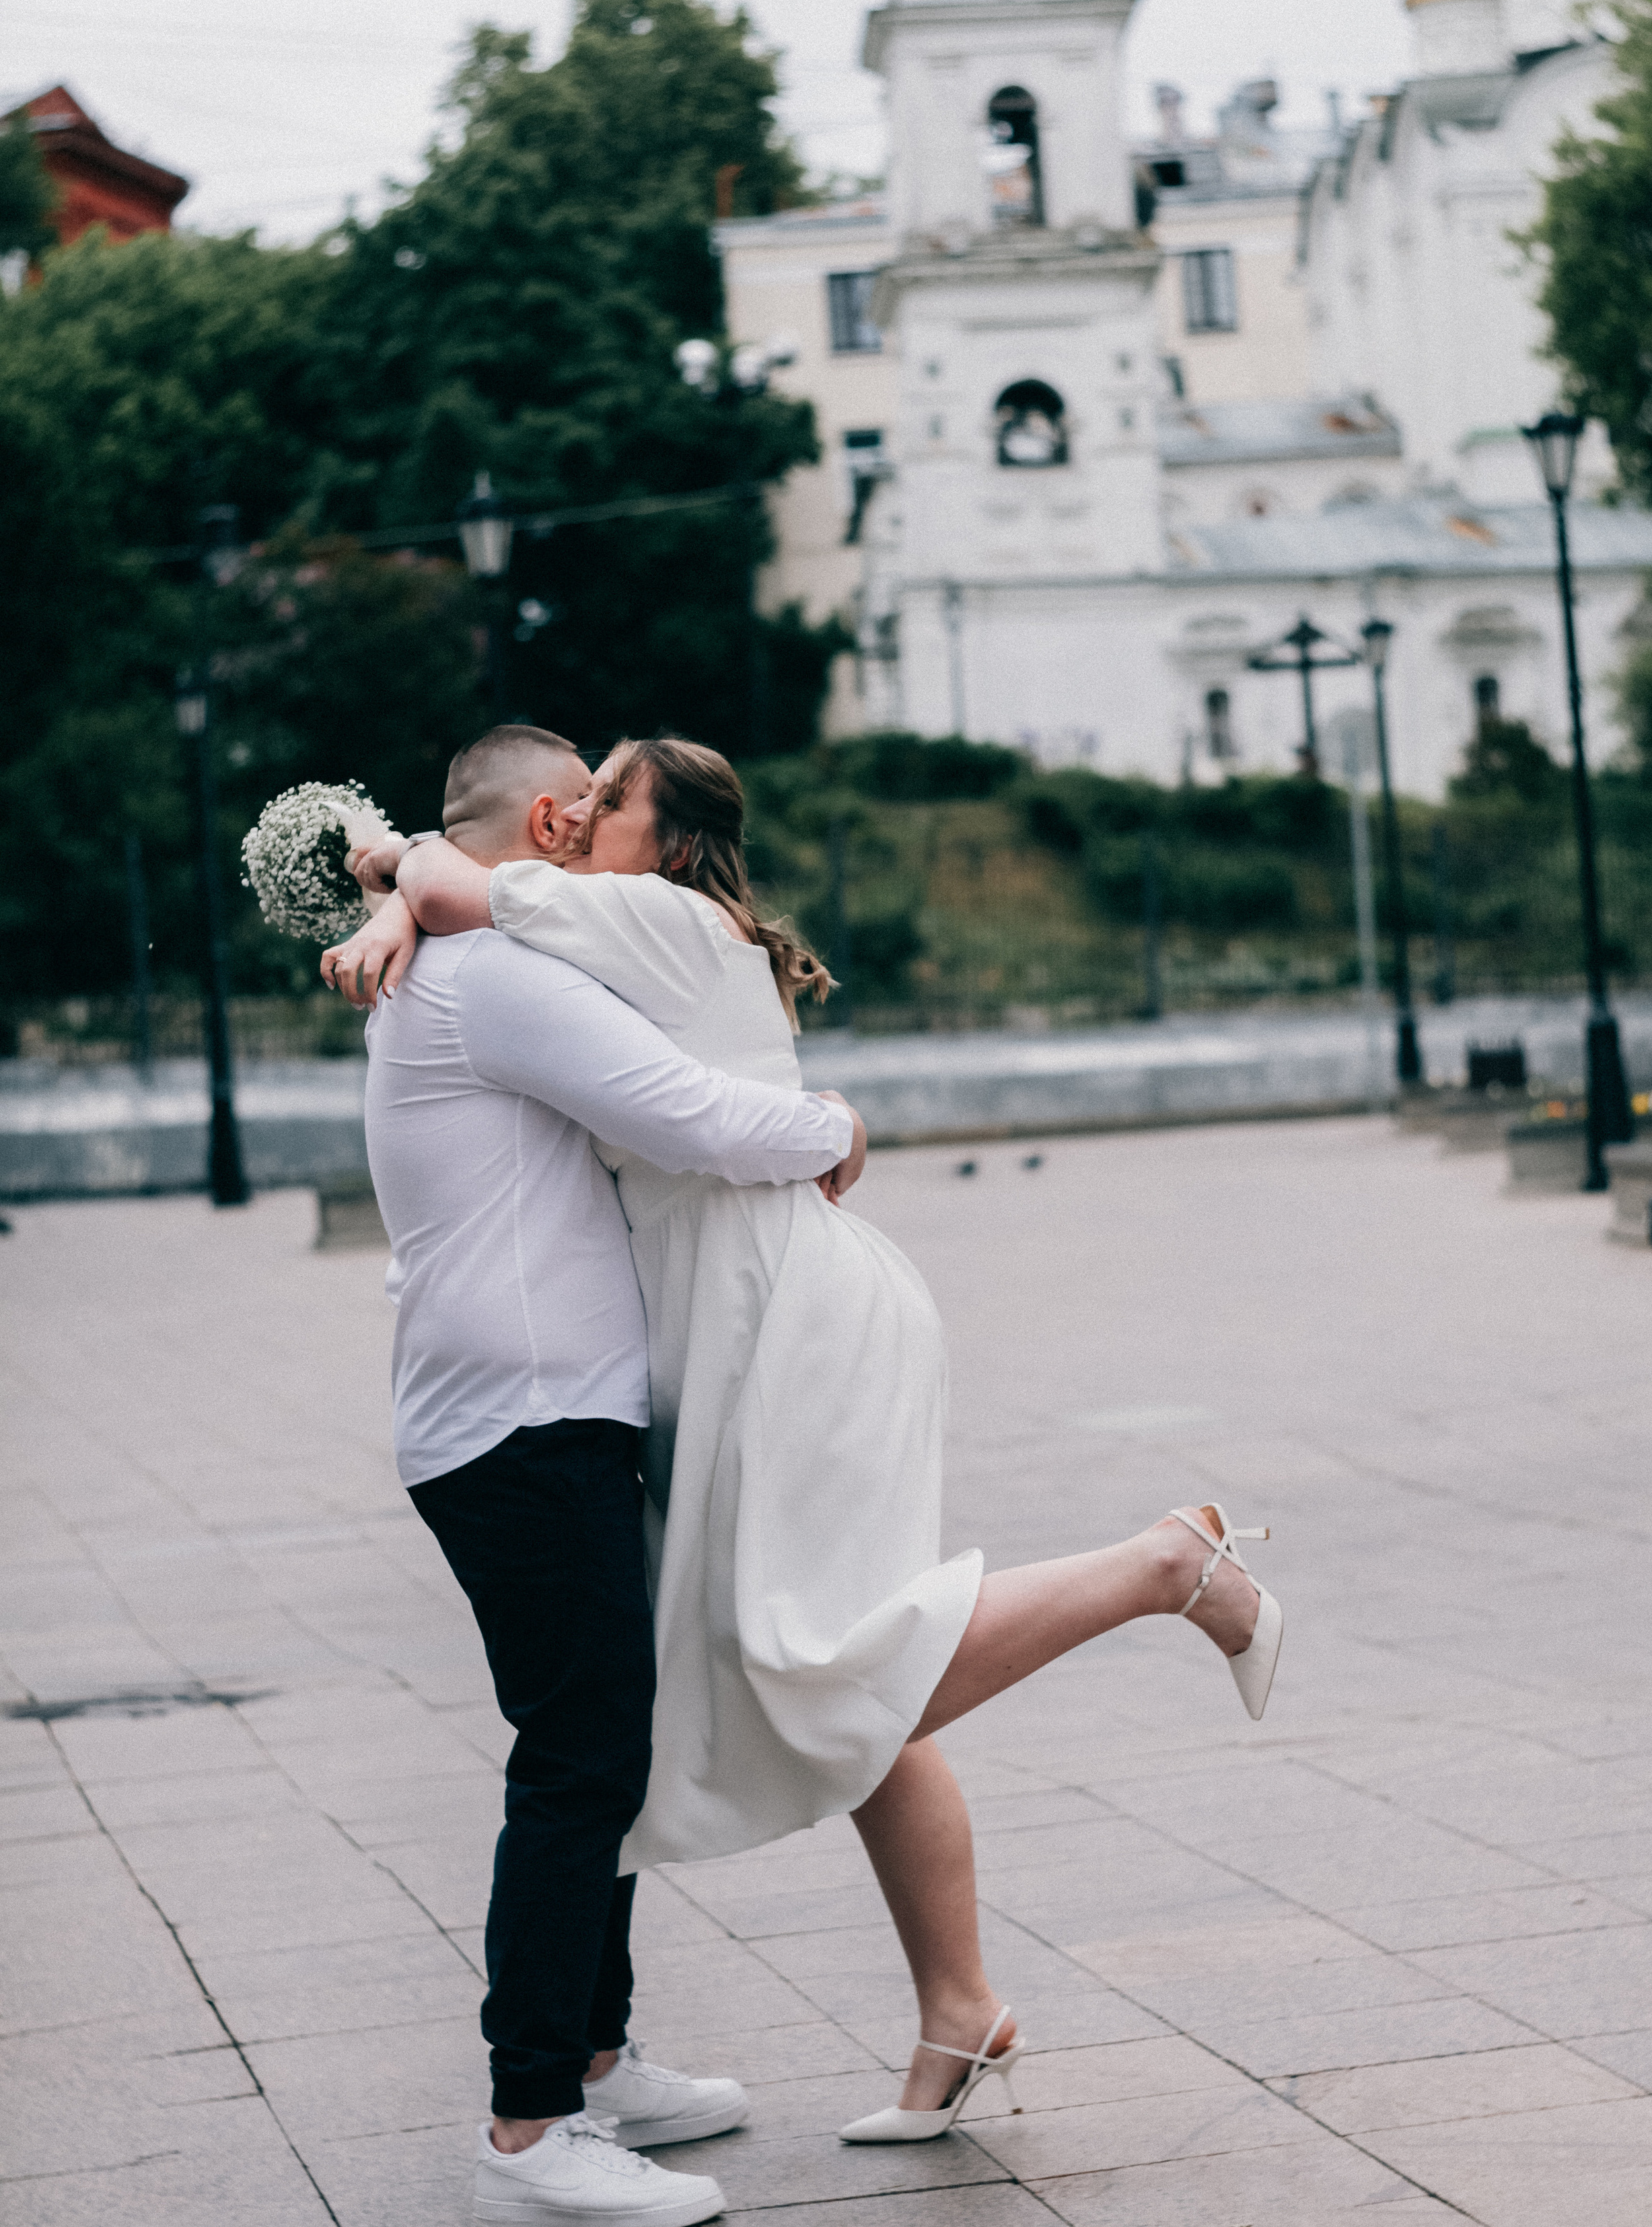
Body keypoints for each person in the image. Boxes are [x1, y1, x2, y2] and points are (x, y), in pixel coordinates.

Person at [331, 732, 1281, 2150]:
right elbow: (469, 888)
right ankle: (954, 2009)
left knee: (823, 1655)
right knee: (818, 1663)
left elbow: (534, 949)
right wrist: (403, 898)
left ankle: (1164, 1567)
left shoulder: (639, 919)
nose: (582, 815)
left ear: (662, 839)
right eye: (574, 798)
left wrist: (823, 1124)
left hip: (779, 1326)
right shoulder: (589, 932)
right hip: (731, 1330)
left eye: (608, 798)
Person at [355, 723, 867, 2227]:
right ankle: (529, 2135)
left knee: (601, 1747)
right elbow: (683, 1113)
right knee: (579, 1762)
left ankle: (593, 2058)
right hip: (522, 1421)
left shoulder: (471, 956)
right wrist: (835, 1128)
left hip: (532, 1413)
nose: (588, 822)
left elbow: (432, 873)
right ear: (543, 821)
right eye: (576, 801)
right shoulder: (497, 979)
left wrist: (399, 883)